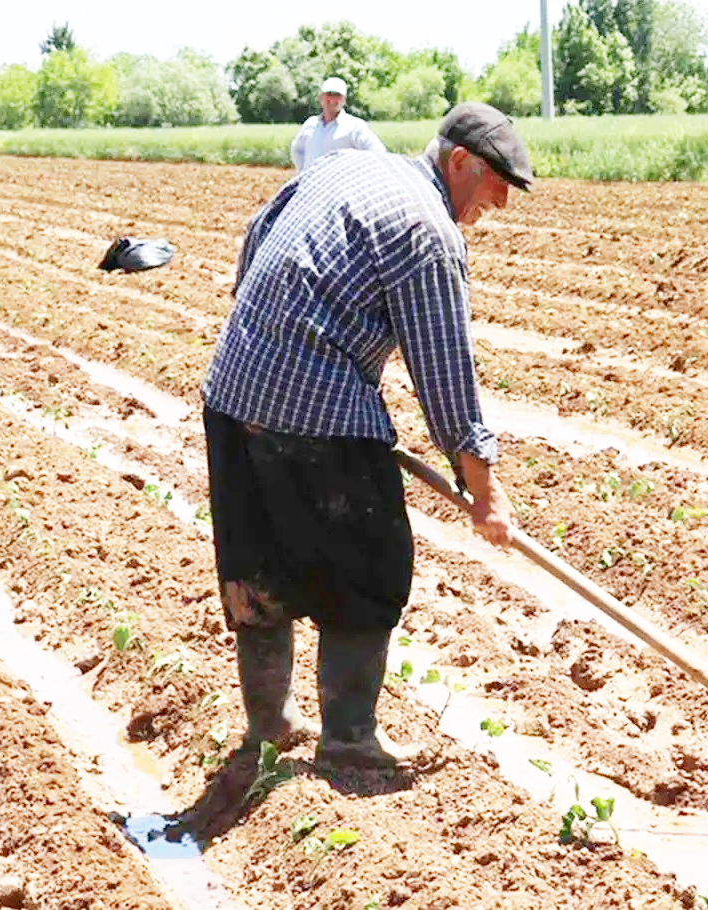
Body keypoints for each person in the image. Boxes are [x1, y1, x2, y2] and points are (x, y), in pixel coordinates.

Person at [202, 102, 532, 770]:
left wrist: (269, 332)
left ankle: (270, 728)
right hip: (315, 408)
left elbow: (255, 234)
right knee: (370, 565)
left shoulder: (344, 166)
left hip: (232, 388)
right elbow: (445, 371)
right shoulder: (428, 232)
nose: (495, 202)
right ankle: (349, 742)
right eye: (494, 182)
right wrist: (485, 488)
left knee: (257, 568)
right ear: (460, 161)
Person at [289, 76, 386, 172]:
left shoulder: (354, 127)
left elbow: (378, 152)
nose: (332, 100)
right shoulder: (310, 124)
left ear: (344, 100)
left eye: (337, 95)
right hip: (313, 185)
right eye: (329, 94)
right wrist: (304, 173)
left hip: (341, 185)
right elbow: (297, 150)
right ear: (321, 98)